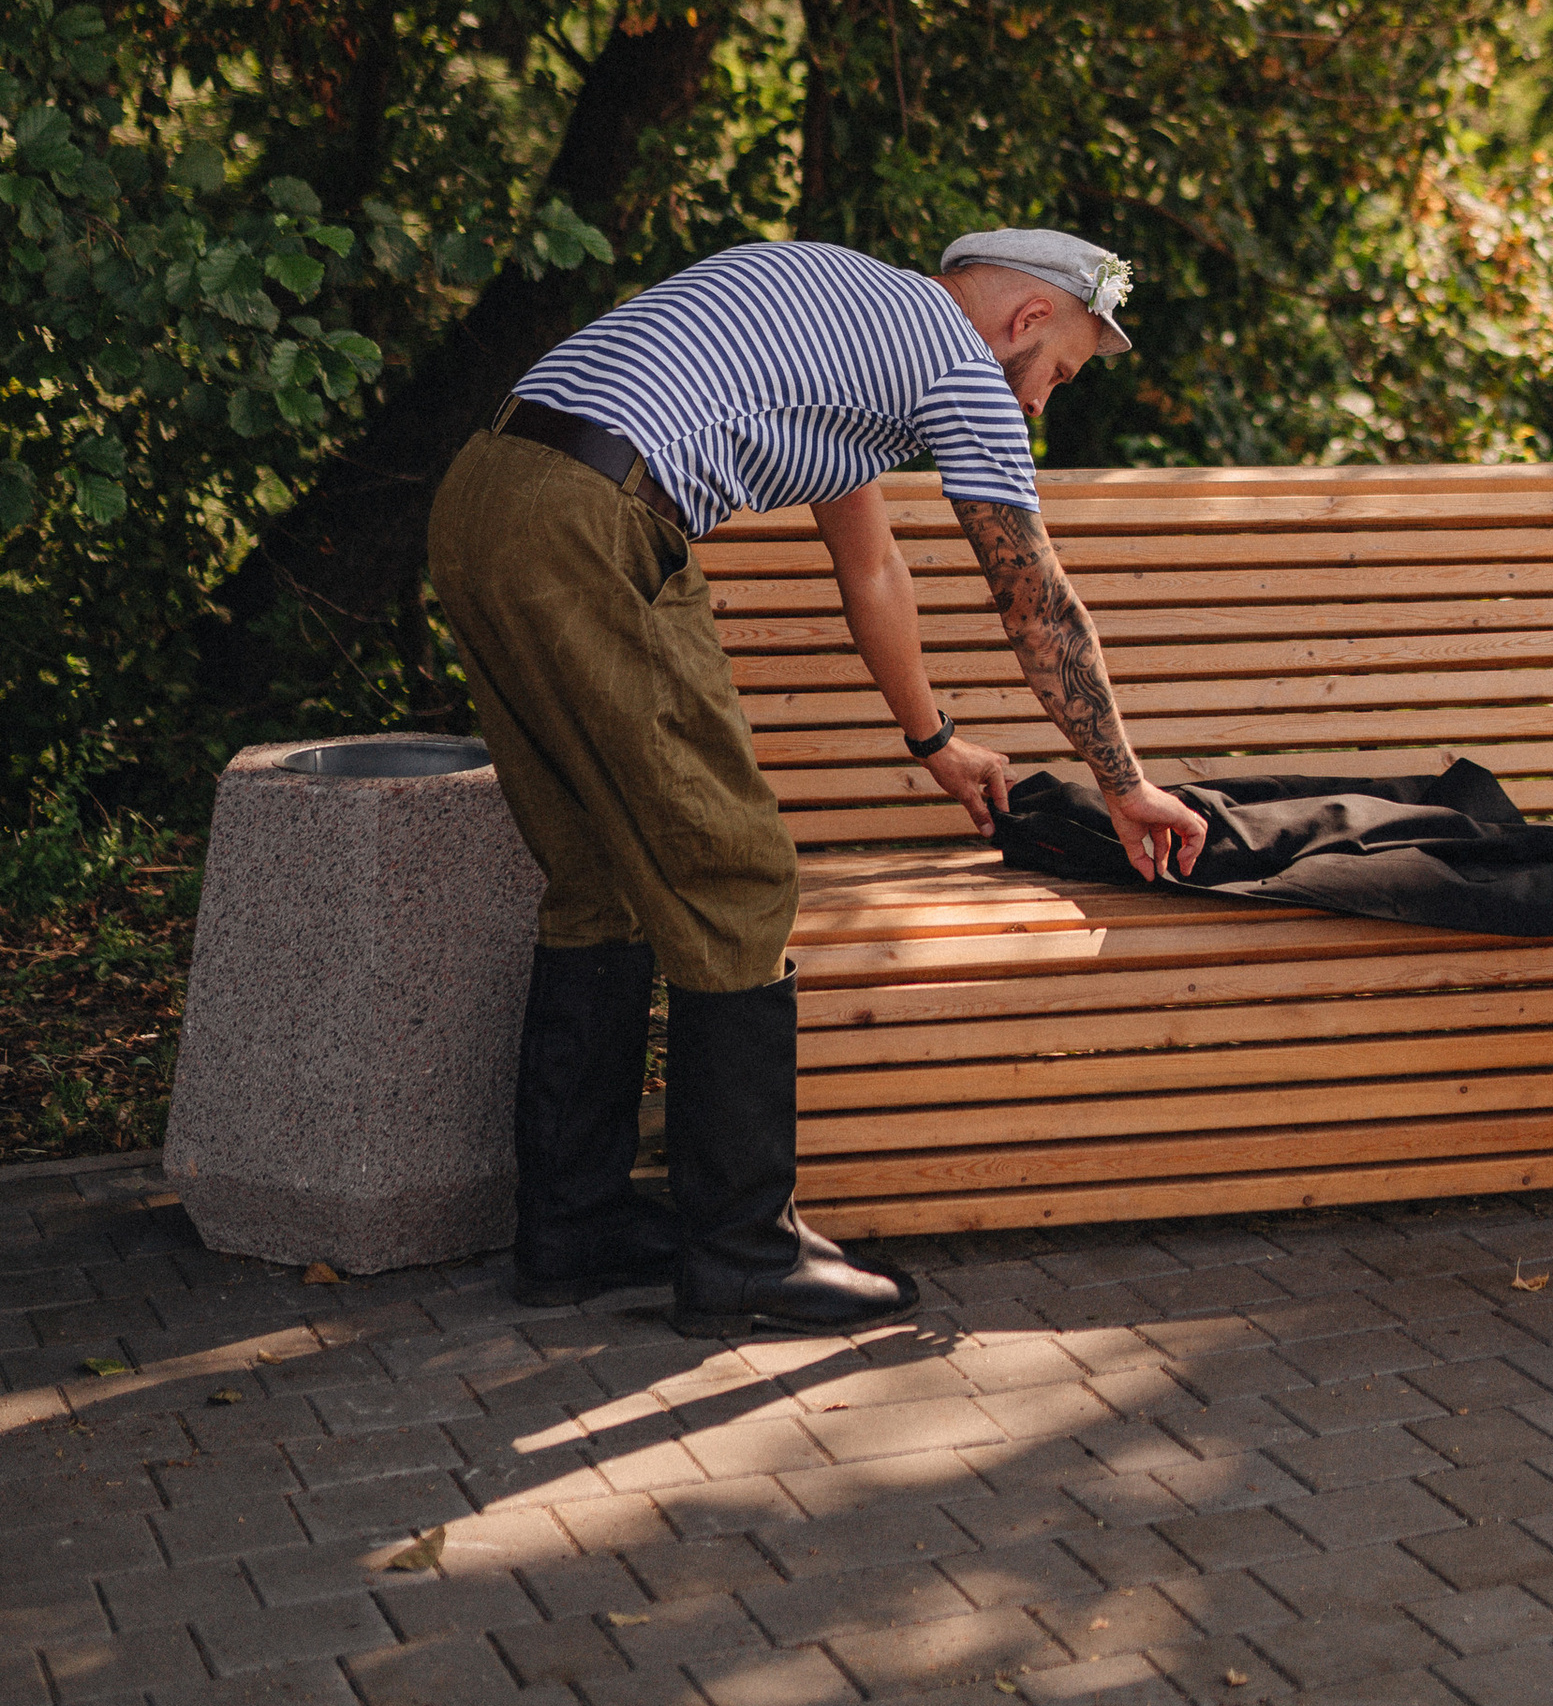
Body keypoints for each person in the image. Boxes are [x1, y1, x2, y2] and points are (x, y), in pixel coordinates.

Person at [426, 225, 1209, 1335]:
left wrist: (936, 741)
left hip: (486, 495)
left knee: (600, 875)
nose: (1039, 406)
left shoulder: (845, 314)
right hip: (592, 523)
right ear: (1027, 319)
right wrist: (1123, 782)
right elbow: (1033, 601)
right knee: (738, 878)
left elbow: (870, 565)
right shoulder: (955, 364)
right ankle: (743, 1254)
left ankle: (573, 1227)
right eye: (1058, 375)